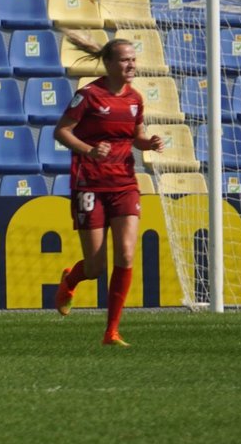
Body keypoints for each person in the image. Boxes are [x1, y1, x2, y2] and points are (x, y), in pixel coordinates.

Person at [52, 34, 165, 348]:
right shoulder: (89, 95)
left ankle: (111, 331)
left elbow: (136, 136)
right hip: (89, 184)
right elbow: (61, 131)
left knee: (126, 254)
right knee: (96, 267)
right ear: (110, 63)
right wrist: (89, 150)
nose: (132, 65)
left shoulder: (135, 99)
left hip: (125, 184)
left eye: (133, 59)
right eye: (125, 60)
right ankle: (70, 280)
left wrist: (148, 143)